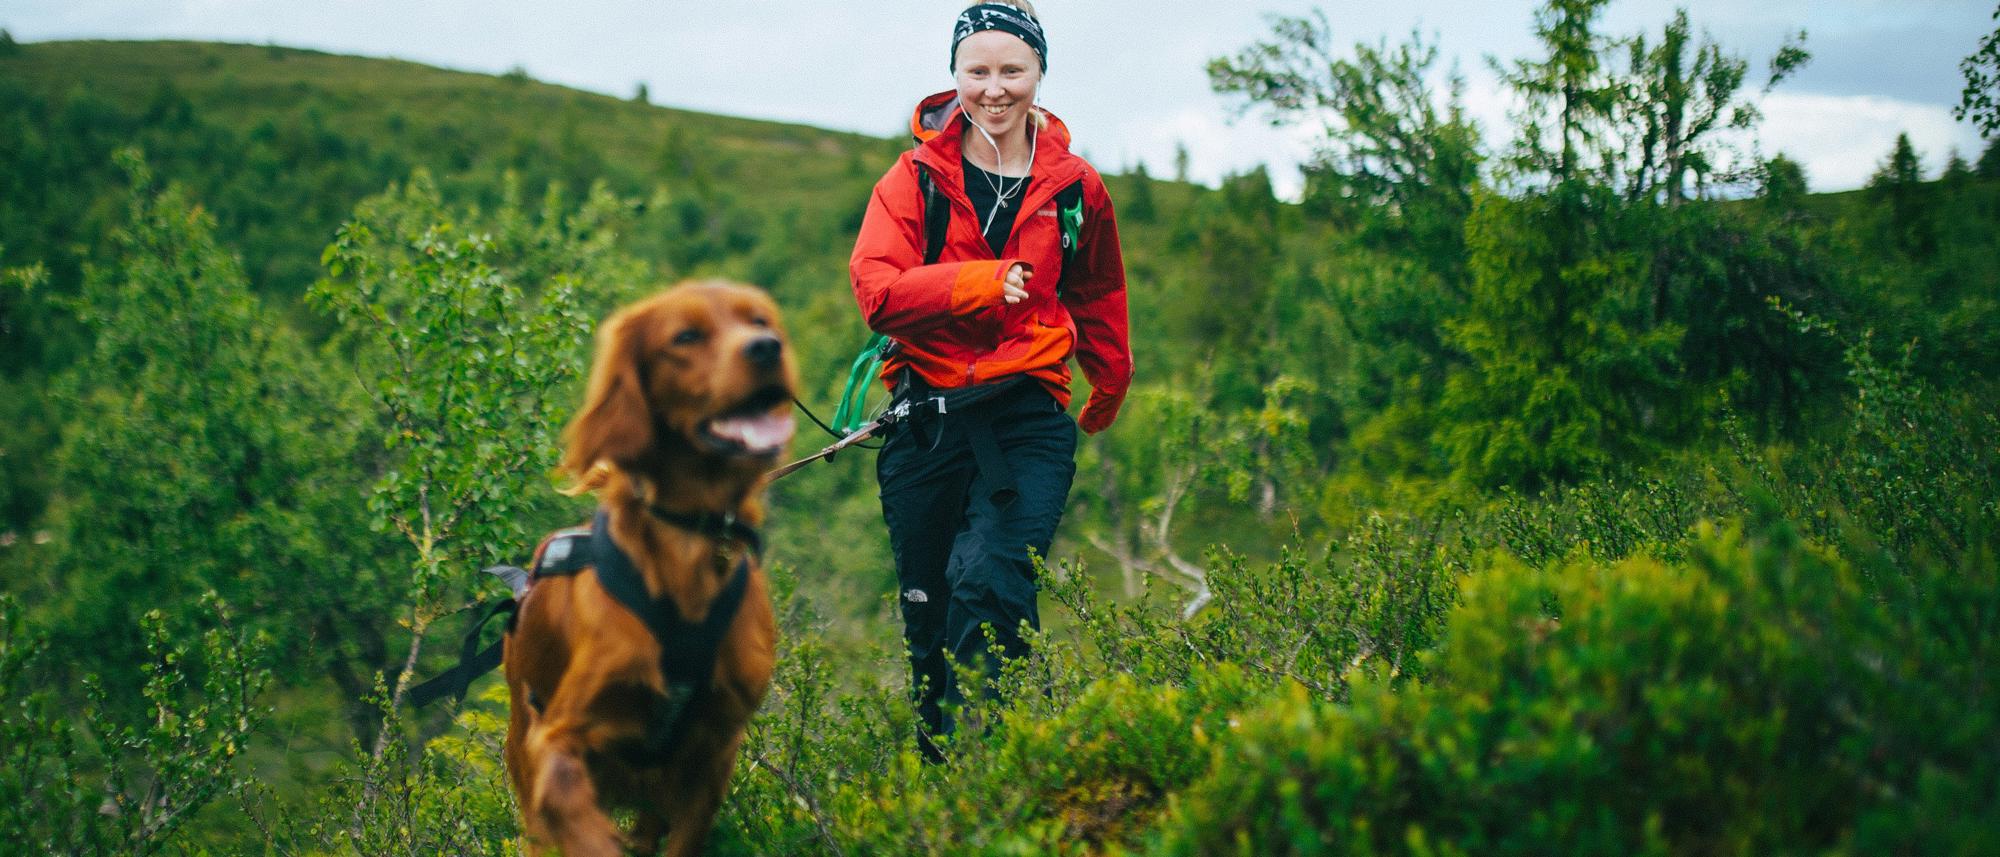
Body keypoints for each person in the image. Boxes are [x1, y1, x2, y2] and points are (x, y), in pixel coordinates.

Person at [848, 0, 1132, 760]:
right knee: (929, 613)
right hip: (927, 419)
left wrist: (1110, 381)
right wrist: (975, 282)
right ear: (954, 75)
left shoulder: (1076, 187)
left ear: (1040, 72)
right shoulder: (914, 178)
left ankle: (998, 768)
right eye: (978, 70)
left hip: (1026, 414)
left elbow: (1097, 289)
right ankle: (945, 793)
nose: (994, 88)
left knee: (991, 583)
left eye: (1013, 70)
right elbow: (876, 290)